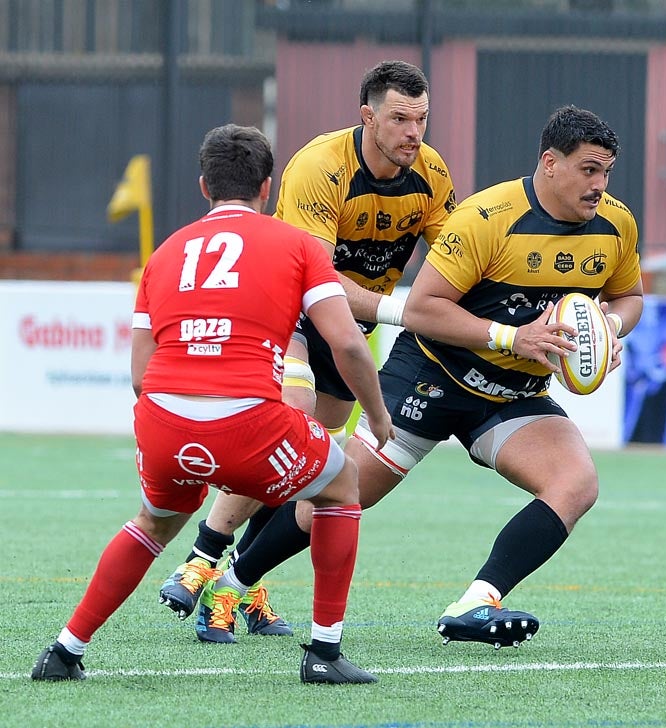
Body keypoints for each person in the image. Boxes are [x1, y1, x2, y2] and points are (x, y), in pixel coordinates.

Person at [209, 104, 644, 647]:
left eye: (606, 171)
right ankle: (229, 583)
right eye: (589, 169)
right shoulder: (487, 218)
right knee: (339, 493)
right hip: (432, 377)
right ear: (550, 163)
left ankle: (476, 603)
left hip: (511, 393)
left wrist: (609, 325)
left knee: (575, 484)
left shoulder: (616, 224)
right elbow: (421, 308)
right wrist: (512, 337)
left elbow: (630, 297)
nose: (600, 184)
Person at [30, 124, 393, 684]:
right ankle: (323, 654)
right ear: (267, 187)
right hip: (251, 420)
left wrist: (176, 427)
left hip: (163, 420)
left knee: (152, 522)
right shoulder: (296, 244)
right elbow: (346, 342)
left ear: (204, 186)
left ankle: (65, 650)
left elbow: (138, 375)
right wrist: (376, 413)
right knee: (340, 488)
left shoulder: (166, 252)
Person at [157, 59, 456, 640]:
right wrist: (404, 311)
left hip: (351, 333)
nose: (413, 133)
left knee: (298, 466)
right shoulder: (321, 166)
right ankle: (201, 559)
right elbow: (314, 278)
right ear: (366, 116)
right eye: (399, 118)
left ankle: (238, 589)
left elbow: (451, 265)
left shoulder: (432, 174)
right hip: (293, 315)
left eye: (421, 119)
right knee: (286, 429)